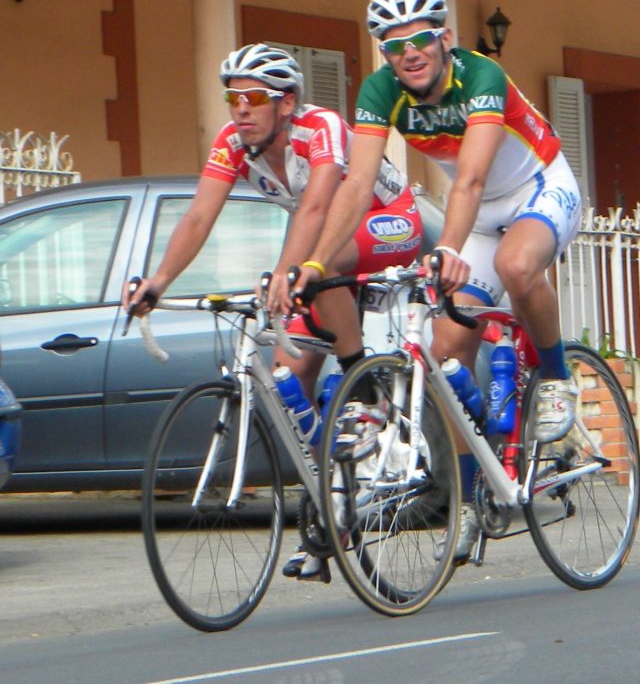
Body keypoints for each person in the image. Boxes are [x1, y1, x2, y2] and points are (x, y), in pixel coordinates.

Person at [294, 0, 583, 562]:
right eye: (393, 46)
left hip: (538, 187)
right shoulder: (381, 92)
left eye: (420, 39)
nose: (409, 53)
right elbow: (356, 184)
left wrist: (447, 248)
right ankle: (478, 499)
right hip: (475, 215)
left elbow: (471, 178)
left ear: (444, 38)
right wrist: (317, 262)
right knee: (448, 359)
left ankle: (554, 378)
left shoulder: (481, 77)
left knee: (515, 264)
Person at [125, 43, 425, 579]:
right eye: (233, 98)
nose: (240, 109)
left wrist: (291, 273)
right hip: (321, 239)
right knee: (294, 378)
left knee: (319, 264)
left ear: (286, 103)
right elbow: (198, 216)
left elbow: (317, 207)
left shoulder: (321, 127)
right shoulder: (233, 143)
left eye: (255, 97)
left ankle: (361, 384)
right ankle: (330, 509)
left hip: (387, 222)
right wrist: (158, 281)